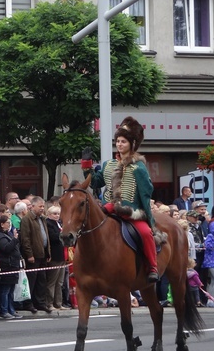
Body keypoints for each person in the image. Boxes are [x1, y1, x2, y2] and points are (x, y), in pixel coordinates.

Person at [81, 116, 159, 283]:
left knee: (145, 233)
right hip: (107, 211)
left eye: (123, 141)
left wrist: (131, 208)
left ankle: (152, 267)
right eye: (118, 141)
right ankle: (82, 268)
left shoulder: (139, 167)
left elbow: (146, 192)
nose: (119, 144)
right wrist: (87, 165)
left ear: (132, 144)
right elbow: (95, 182)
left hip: (130, 213)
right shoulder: (108, 164)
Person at [18, 196, 51, 313]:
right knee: (31, 280)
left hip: (42, 253)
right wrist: (29, 254)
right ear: (33, 206)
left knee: (42, 280)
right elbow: (25, 239)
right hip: (33, 255)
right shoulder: (27, 219)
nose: (42, 208)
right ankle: (28, 303)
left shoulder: (42, 219)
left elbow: (45, 236)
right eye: (40, 206)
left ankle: (40, 302)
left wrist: (48, 252)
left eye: (43, 206)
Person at [0, 214, 23, 319]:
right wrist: (14, 239)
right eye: (8, 223)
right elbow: (6, 248)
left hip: (13, 264)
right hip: (6, 265)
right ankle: (4, 310)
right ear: (2, 224)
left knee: (11, 289)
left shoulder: (7, 234)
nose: (9, 225)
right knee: (5, 289)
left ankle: (11, 309)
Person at [45, 205, 68, 310]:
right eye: (54, 214)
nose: (57, 216)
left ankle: (58, 303)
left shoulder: (58, 224)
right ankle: (49, 303)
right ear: (49, 214)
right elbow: (53, 237)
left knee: (60, 282)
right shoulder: (48, 224)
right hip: (54, 256)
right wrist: (62, 233)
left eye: (58, 214)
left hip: (62, 255)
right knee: (52, 281)